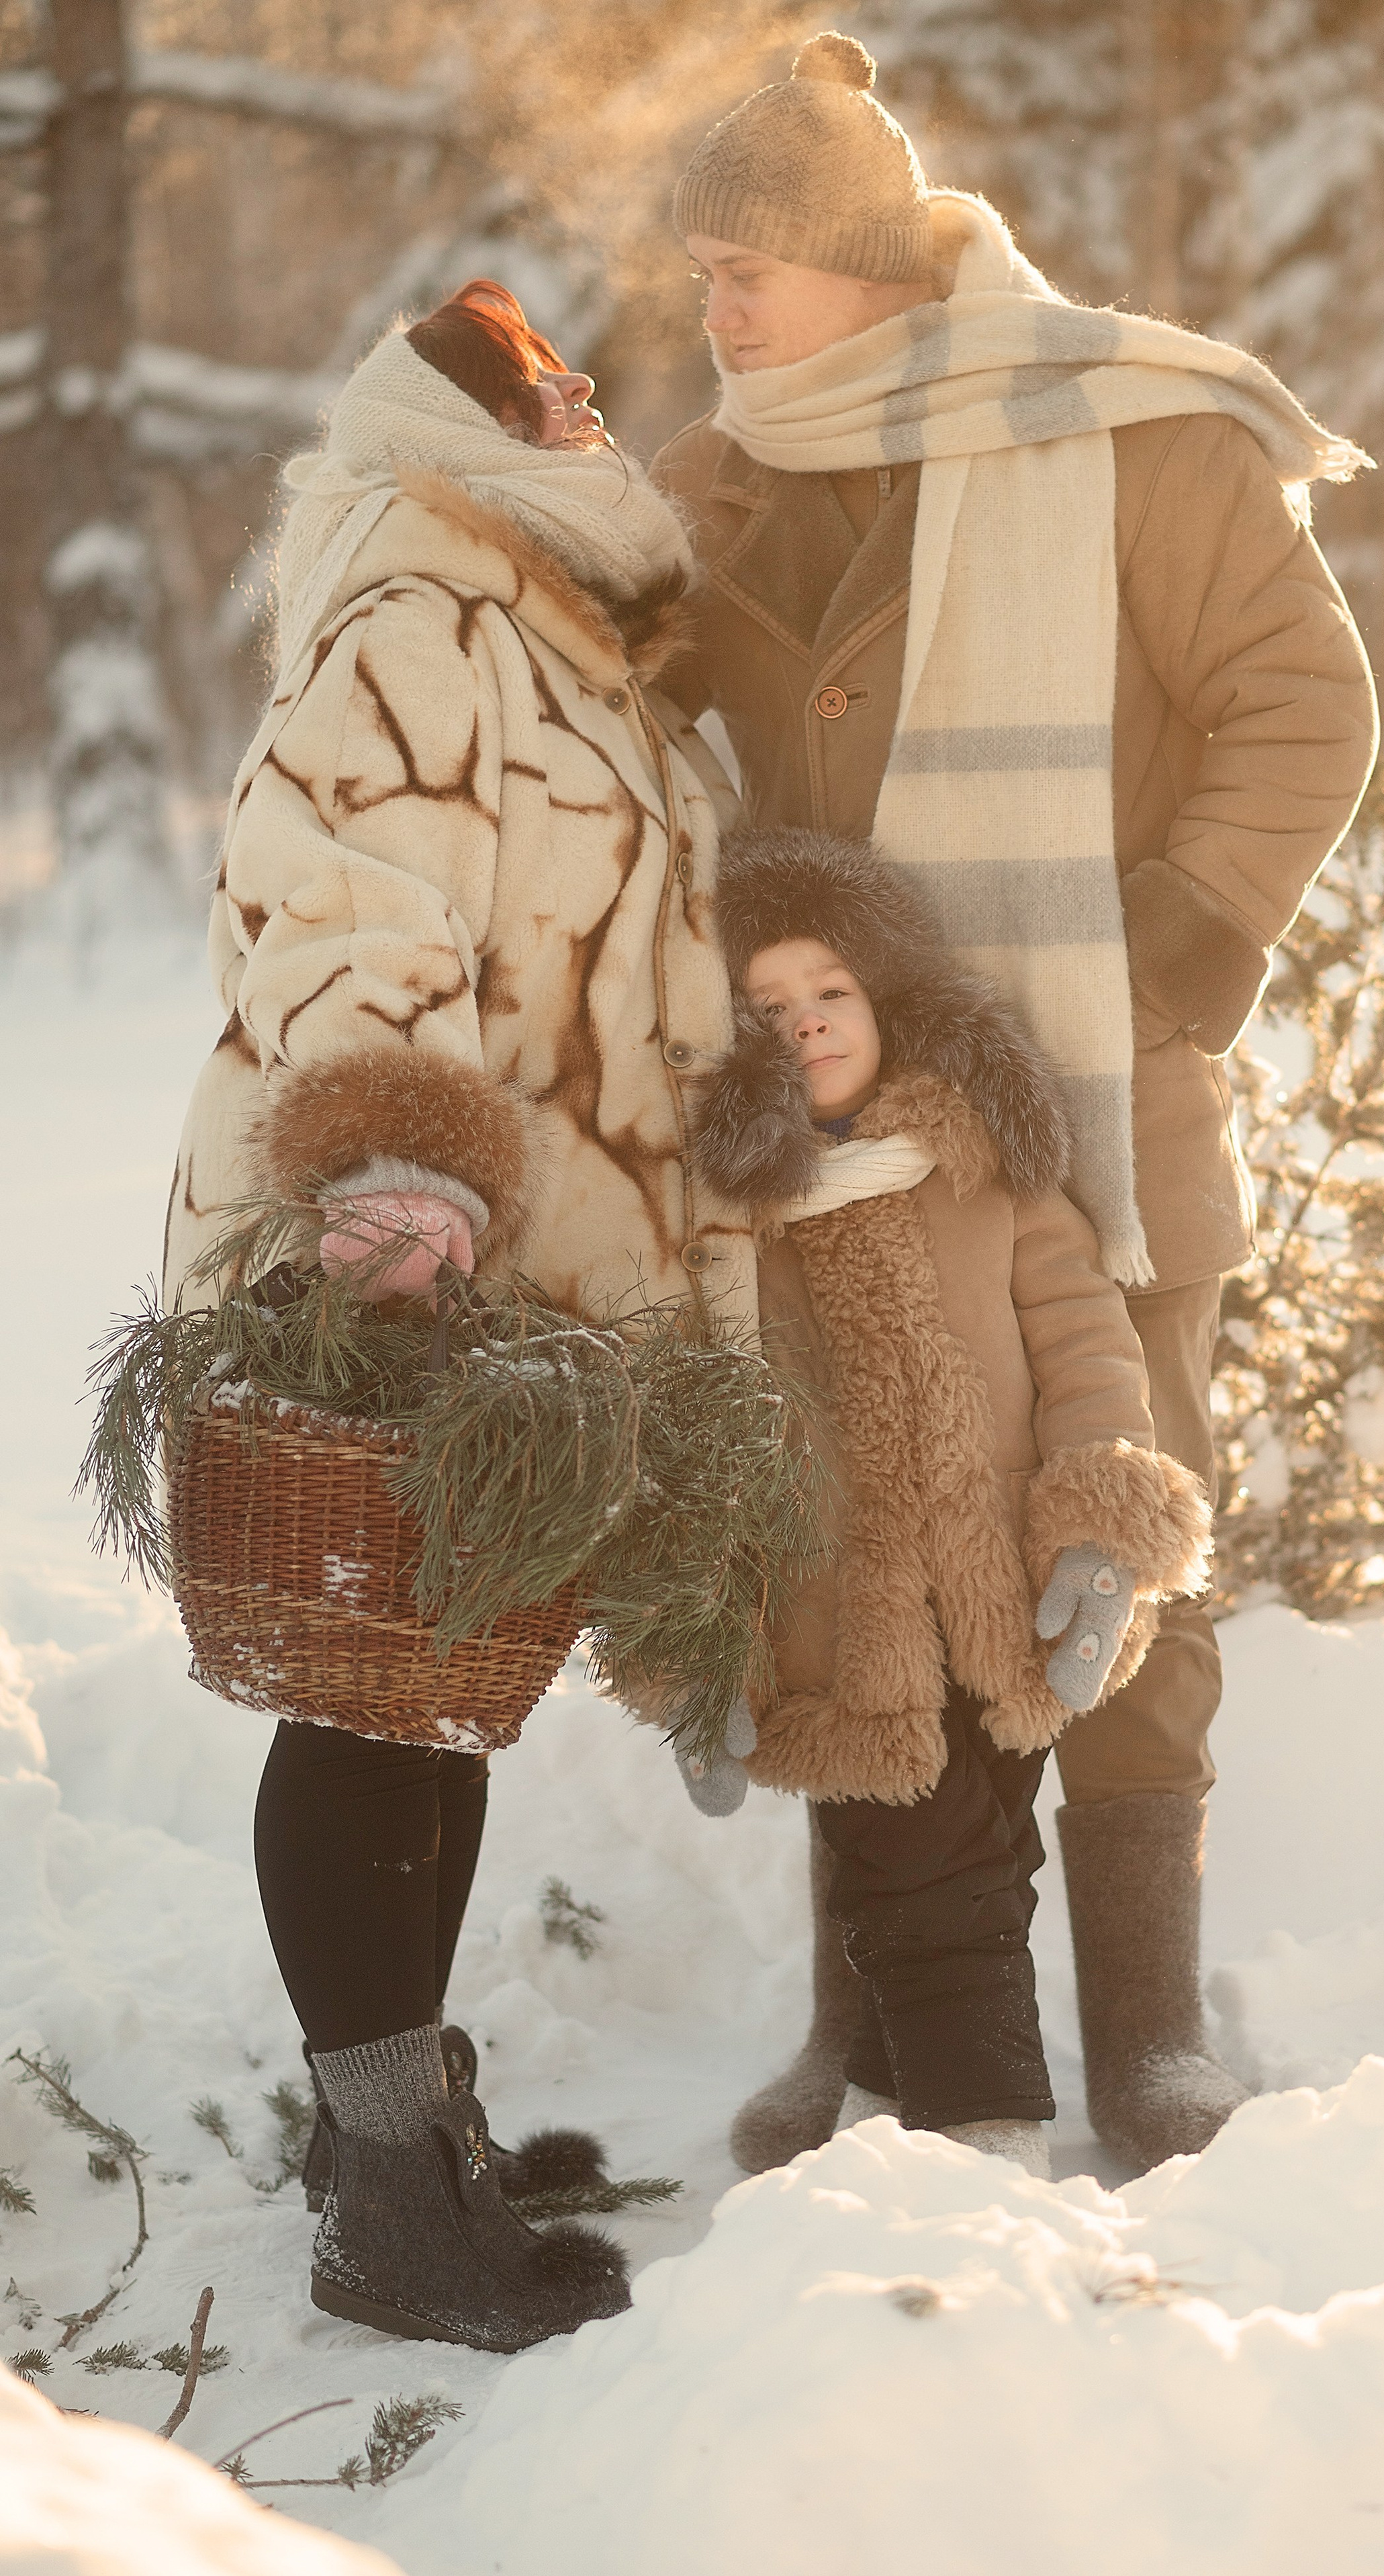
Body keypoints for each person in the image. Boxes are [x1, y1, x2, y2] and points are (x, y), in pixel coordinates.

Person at [653, 33, 1381, 2176]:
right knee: (839, 1534)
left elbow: (1300, 702)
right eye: (698, 264)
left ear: (875, 268)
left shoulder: (1126, 431)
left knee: (1118, 1514)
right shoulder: (728, 478)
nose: (716, 305)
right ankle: (866, 2019)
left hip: (1096, 1106)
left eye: (751, 264)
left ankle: (1146, 2026)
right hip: (830, 1129)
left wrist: (1162, 957)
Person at [163, 280, 750, 2349]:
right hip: (401, 1256)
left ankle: (393, 2122)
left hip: (519, 1291)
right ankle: (386, 2204)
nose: (590, 405)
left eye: (580, 380)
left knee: (443, 1688)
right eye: (546, 386)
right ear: (461, 423)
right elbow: (337, 899)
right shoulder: (418, 618)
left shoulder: (556, 631)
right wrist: (395, 1182)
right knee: (366, 1697)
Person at [686, 825, 1211, 2176]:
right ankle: (984, 2131)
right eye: (769, 1007)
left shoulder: (985, 1166)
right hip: (834, 1620)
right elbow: (693, 1421)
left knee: (971, 1853)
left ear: (884, 997)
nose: (805, 1024)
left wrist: (1098, 1524)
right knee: (932, 1876)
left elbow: (1087, 1342)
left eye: (829, 993)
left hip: (1002, 1600)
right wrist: (694, 1635)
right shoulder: (735, 1218)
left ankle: (876, 2088)